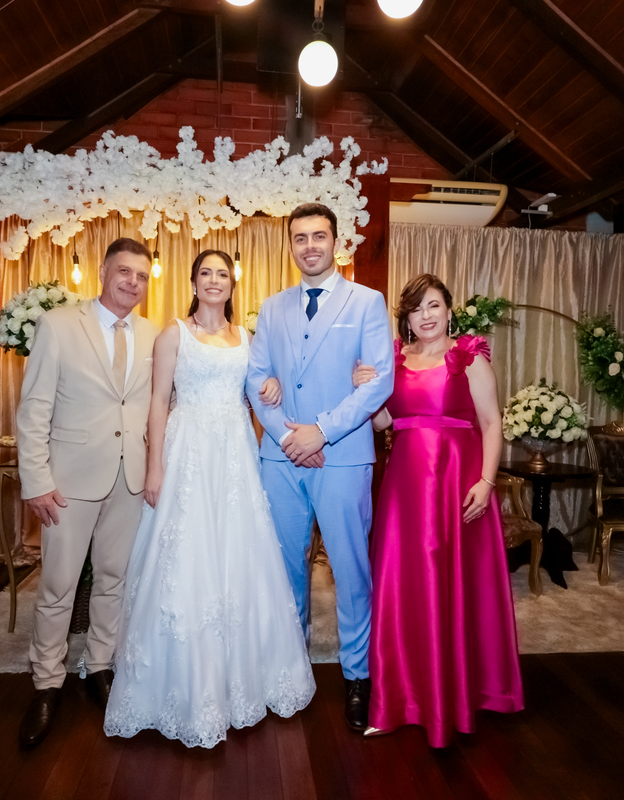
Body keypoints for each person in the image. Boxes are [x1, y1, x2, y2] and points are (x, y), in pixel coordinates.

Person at [103, 250, 316, 748]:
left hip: (235, 455)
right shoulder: (174, 333)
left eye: (222, 274)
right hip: (188, 454)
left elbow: (262, 387)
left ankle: (245, 679)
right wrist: (155, 465)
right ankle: (182, 685)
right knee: (185, 557)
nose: (214, 281)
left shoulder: (247, 337)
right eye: (206, 273)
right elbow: (159, 401)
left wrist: (271, 383)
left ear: (232, 284)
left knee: (241, 557)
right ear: (194, 282)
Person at [353, 274, 524, 747]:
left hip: (458, 483)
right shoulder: (394, 360)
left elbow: (492, 423)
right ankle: (398, 701)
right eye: (416, 309)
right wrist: (363, 388)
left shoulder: (469, 357)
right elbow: (385, 422)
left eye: (433, 306)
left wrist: (486, 483)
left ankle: (462, 695)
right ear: (406, 318)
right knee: (401, 584)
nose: (425, 316)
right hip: (405, 485)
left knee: (459, 586)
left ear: (449, 310)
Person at [245, 203, 395, 732]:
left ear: (337, 242)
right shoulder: (272, 308)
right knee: (285, 568)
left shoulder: (367, 301)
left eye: (319, 236)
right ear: (291, 245)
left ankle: (357, 675)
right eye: (300, 238)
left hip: (344, 454)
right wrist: (290, 437)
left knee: (349, 570)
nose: (310, 246)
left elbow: (379, 382)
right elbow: (255, 378)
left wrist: (322, 431)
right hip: (281, 458)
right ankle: (290, 669)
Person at [15, 238, 158, 749]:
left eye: (141, 276)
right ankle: (46, 682)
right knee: (58, 585)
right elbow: (34, 408)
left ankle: (99, 666)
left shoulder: (152, 334)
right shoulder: (58, 325)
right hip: (69, 482)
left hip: (129, 479)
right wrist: (37, 480)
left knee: (114, 581)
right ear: (103, 271)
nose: (132, 282)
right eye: (124, 271)